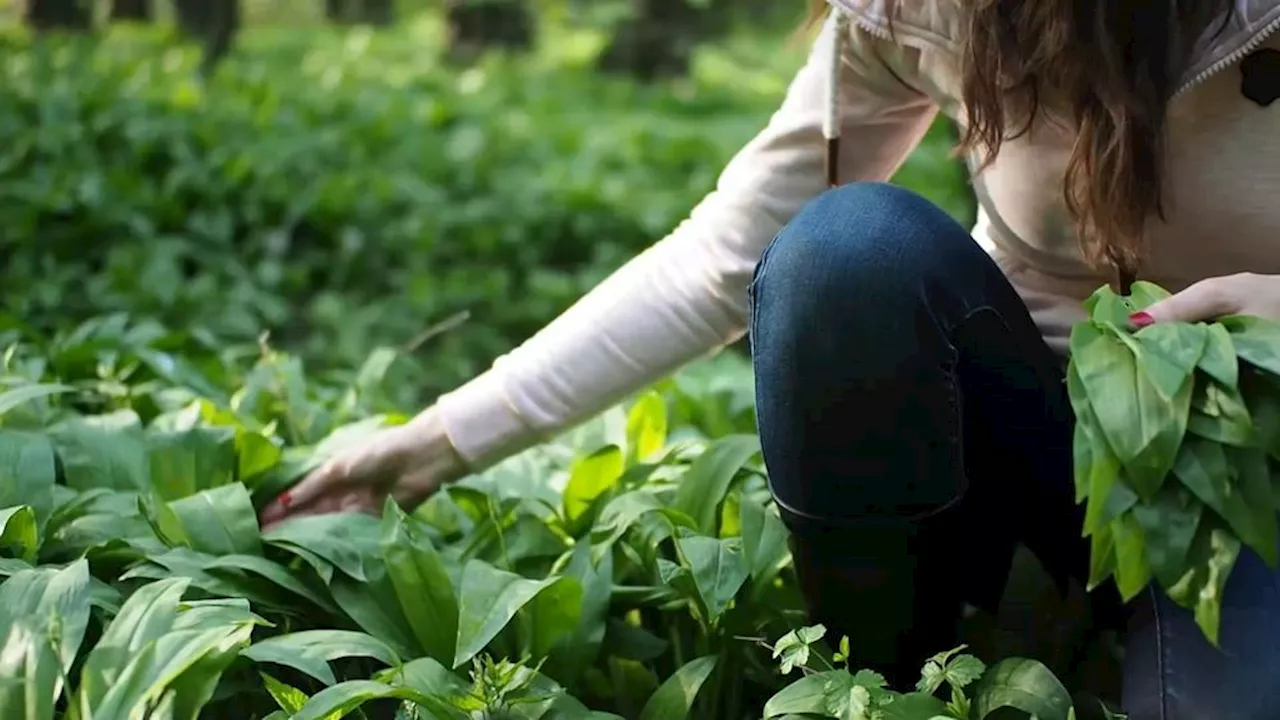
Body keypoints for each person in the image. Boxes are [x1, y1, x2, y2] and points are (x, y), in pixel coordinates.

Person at [259, 0, 1280, 716]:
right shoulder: (925, 11)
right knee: (845, 254)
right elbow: (720, 258)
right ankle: (885, 681)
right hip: (1034, 453)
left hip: (1254, 476)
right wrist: (433, 444)